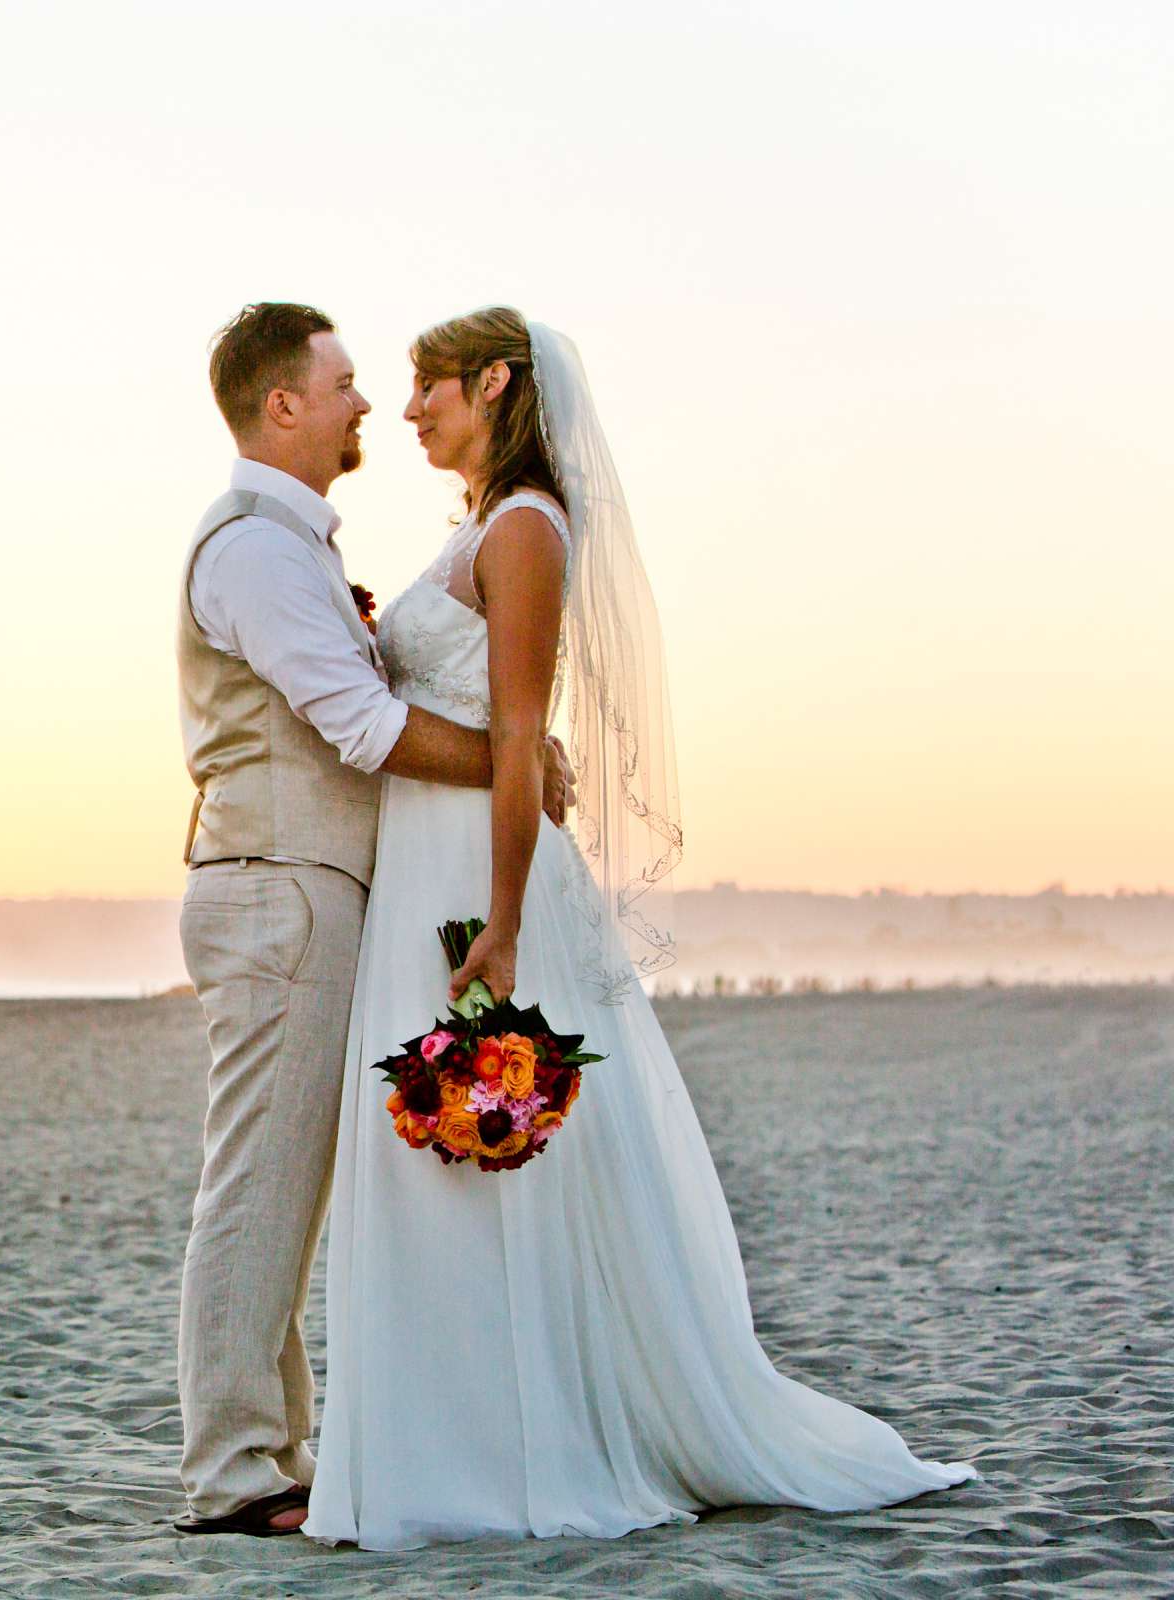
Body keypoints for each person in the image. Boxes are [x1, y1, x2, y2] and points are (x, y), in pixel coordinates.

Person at [304, 306, 975, 1548]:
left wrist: (502, 924)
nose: (408, 411)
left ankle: (504, 1450)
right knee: (435, 1157)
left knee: (485, 1146)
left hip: (473, 876)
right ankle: (448, 1437)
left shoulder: (527, 529)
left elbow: (514, 736)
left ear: (493, 383)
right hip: (424, 858)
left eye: (428, 388)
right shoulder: (485, 529)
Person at [171, 302, 569, 1536]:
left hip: (300, 884)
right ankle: (235, 1472)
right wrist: (520, 764)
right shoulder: (253, 549)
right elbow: (365, 726)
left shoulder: (286, 549)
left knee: (285, 1181)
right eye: (344, 383)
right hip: (279, 883)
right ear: (282, 404)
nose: (366, 406)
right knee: (260, 1181)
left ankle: (270, 1454)